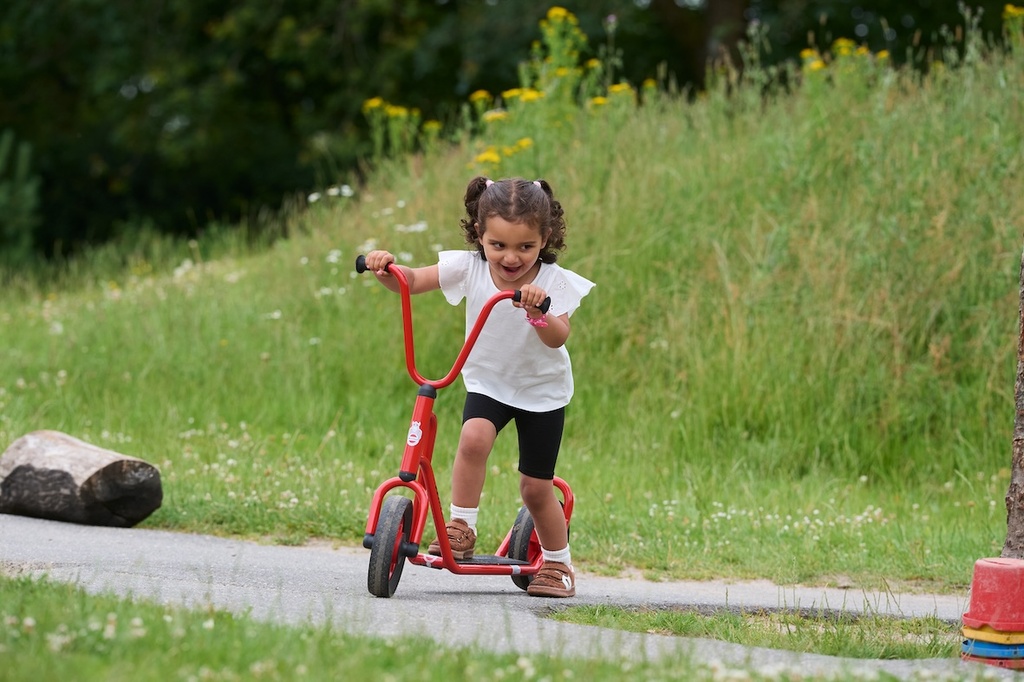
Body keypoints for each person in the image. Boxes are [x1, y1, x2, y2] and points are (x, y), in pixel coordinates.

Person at [363, 176, 594, 598]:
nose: (510, 257)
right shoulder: (467, 267)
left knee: (535, 488)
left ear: (545, 238)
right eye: (498, 245)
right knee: (472, 438)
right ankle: (461, 525)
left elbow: (559, 336)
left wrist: (539, 312)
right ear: (479, 235)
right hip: (489, 382)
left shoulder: (553, 282)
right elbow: (410, 281)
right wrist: (384, 268)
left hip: (541, 393)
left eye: (525, 247)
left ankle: (559, 565)